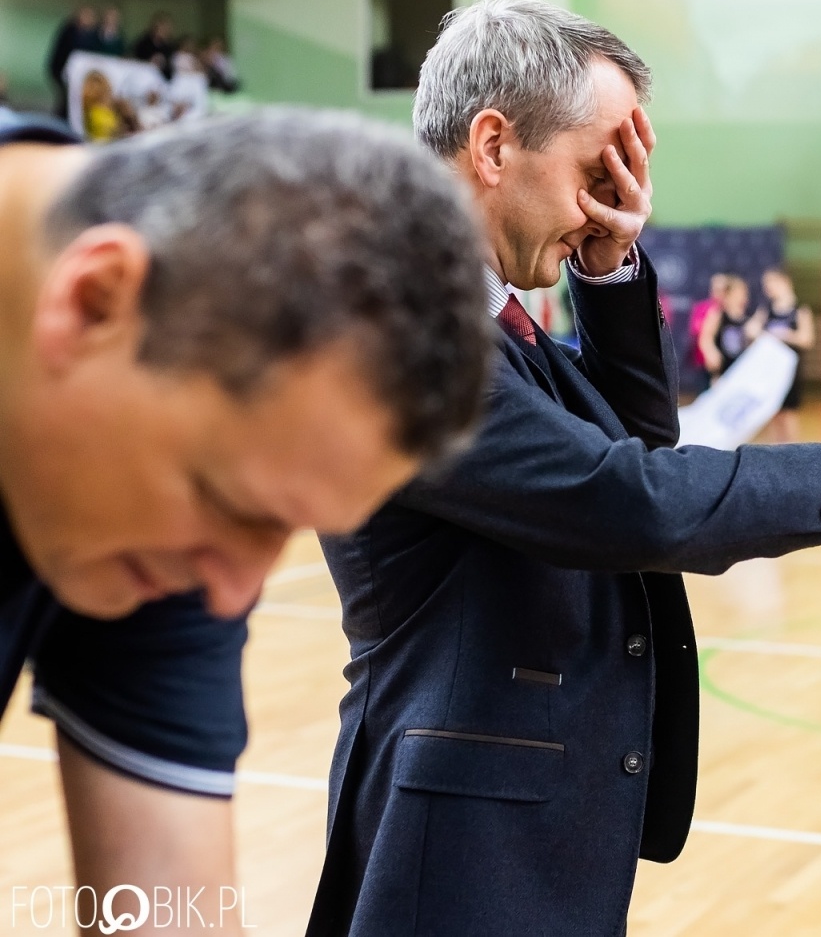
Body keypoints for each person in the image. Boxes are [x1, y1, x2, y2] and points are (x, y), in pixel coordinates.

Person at [305, 0, 821, 937]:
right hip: (459, 844)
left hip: (522, 820)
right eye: (593, 170)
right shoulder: (398, 327)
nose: (607, 198)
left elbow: (634, 442)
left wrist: (607, 265)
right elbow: (629, 502)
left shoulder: (481, 312)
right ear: (493, 145)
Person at [0, 107, 490, 929]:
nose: (233, 595)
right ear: (94, 301)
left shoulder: (161, 527)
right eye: (231, 506)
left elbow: (162, 907)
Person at [759, 266, 815, 442]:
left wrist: (786, 335)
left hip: (790, 370)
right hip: (770, 368)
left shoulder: (799, 310)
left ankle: (790, 453)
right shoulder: (766, 309)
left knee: (789, 413)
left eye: (770, 283)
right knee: (772, 412)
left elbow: (807, 339)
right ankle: (775, 452)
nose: (767, 288)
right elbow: (751, 330)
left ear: (784, 282)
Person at [699, 272, 761, 381]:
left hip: (741, 374)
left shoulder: (748, 320)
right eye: (737, 293)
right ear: (728, 295)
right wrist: (711, 352)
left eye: (743, 293)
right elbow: (705, 338)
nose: (741, 297)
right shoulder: (718, 315)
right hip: (722, 373)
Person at [46, 5, 99, 119]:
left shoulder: (91, 35)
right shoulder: (69, 31)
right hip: (62, 69)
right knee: (65, 98)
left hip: (79, 73)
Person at [133, 12, 179, 79]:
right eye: (162, 27)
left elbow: (171, 67)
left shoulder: (170, 47)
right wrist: (149, 61)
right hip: (144, 76)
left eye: (166, 28)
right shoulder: (143, 43)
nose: (164, 30)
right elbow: (135, 60)